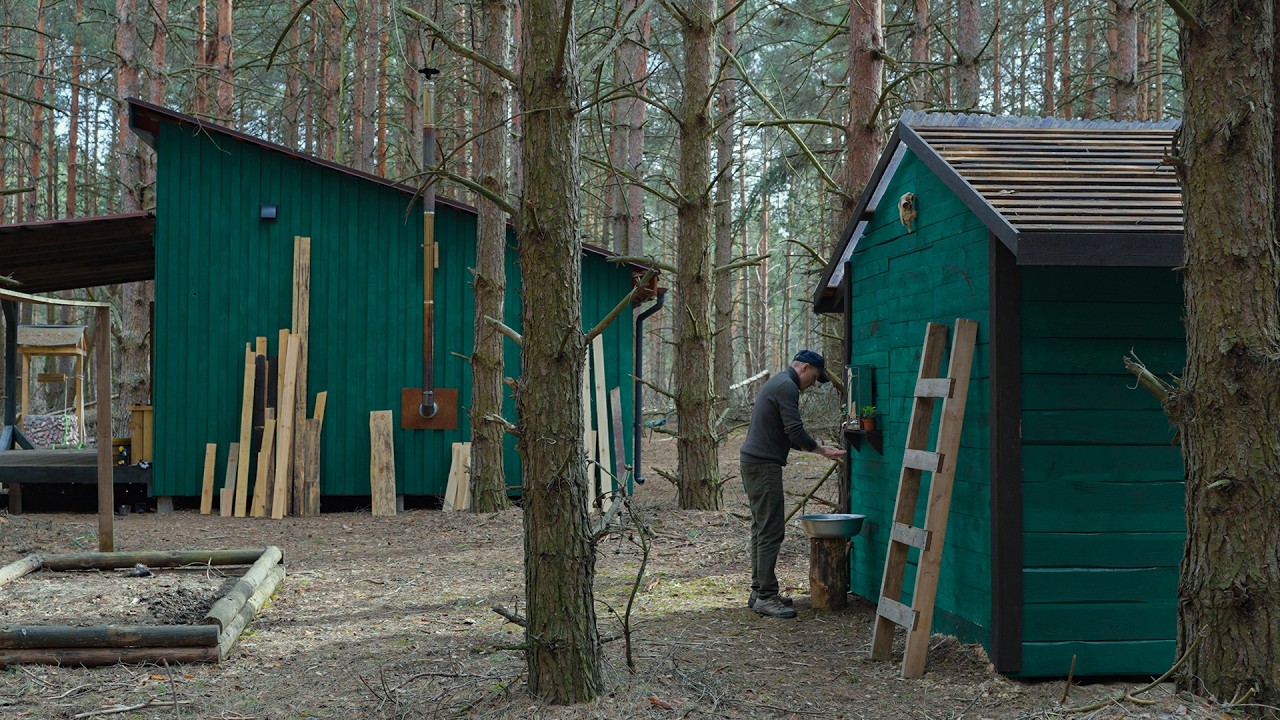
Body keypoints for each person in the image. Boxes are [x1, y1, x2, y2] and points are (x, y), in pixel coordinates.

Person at [740, 349, 847, 619]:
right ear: (805, 368)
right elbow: (794, 430)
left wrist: (816, 448)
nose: (814, 382)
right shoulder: (787, 387)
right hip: (763, 465)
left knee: (761, 528)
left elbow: (785, 435)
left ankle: (759, 590)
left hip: (755, 462)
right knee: (771, 530)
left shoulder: (777, 382)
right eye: (815, 376)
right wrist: (822, 451)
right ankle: (766, 596)